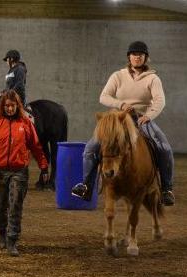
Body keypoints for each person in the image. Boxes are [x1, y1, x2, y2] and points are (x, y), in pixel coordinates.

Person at [70, 41, 175, 206]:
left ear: (146, 58)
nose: (137, 57)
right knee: (91, 146)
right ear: (129, 57)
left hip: (141, 118)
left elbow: (160, 101)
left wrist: (149, 115)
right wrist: (121, 104)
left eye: (140, 54)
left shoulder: (153, 78)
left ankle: (166, 189)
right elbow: (104, 97)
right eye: (134, 54)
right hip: (117, 118)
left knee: (164, 147)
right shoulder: (117, 76)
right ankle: (86, 185)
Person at [0, 89, 49, 257]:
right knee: (0, 206)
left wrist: (44, 166)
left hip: (19, 171)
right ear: (2, 106)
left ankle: (12, 240)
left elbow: (36, 147)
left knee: (15, 205)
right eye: (7, 106)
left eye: (12, 106)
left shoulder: (26, 124)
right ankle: (2, 233)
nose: (10, 109)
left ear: (18, 106)